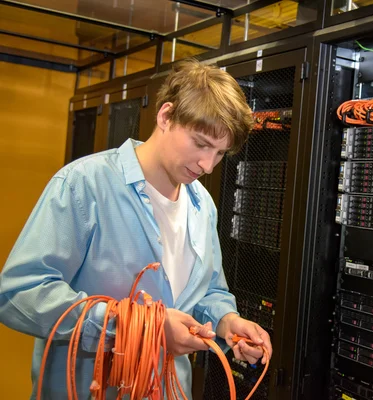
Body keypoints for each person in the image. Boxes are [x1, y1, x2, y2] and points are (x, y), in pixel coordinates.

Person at [0, 58, 272, 399]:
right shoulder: (84, 185)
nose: (207, 165)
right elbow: (19, 294)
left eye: (219, 153)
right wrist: (139, 328)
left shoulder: (202, 205)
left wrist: (225, 321)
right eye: (201, 144)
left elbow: (206, 293)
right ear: (166, 116)